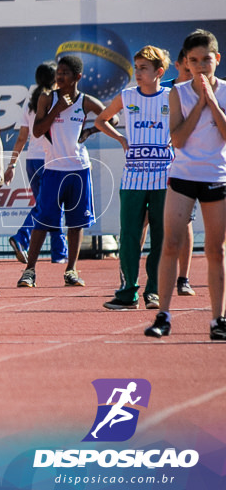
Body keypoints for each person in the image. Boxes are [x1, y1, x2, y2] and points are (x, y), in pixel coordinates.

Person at [145, 30, 226, 341]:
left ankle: (218, 319)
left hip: (216, 177)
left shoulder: (225, 91)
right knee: (169, 245)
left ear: (216, 59)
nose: (201, 66)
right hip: (182, 177)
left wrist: (212, 101)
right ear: (187, 64)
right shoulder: (177, 93)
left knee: (216, 251)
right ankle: (163, 316)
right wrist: (199, 103)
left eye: (206, 59)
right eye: (194, 61)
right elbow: (177, 139)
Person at [16, 55, 110, 288]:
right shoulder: (47, 98)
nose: (59, 76)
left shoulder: (86, 101)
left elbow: (111, 117)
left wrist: (89, 132)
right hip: (53, 169)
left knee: (76, 223)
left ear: (77, 77)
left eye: (65, 72)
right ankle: (29, 271)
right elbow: (37, 131)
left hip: (79, 169)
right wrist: (57, 108)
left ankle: (71, 270)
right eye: (58, 72)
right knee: (42, 220)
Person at [95, 46, 172, 311]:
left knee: (161, 238)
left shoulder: (172, 98)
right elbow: (101, 120)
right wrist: (121, 139)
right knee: (129, 237)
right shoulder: (127, 96)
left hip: (165, 180)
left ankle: (154, 292)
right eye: (136, 67)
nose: (137, 73)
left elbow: (188, 127)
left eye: (143, 68)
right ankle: (128, 293)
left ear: (159, 72)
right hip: (133, 180)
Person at [5, 62, 69, 267]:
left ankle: (59, 253)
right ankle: (22, 238)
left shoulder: (31, 103)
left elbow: (22, 137)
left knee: (51, 205)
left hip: (32, 161)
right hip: (49, 161)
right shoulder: (54, 101)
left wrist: (13, 164)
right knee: (46, 206)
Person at [167, 49, 197, 299]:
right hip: (155, 170)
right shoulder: (165, 91)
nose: (191, 73)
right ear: (177, 65)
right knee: (144, 220)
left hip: (186, 169)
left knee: (186, 222)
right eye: (187, 68)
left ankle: (183, 279)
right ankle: (132, 278)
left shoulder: (203, 93)